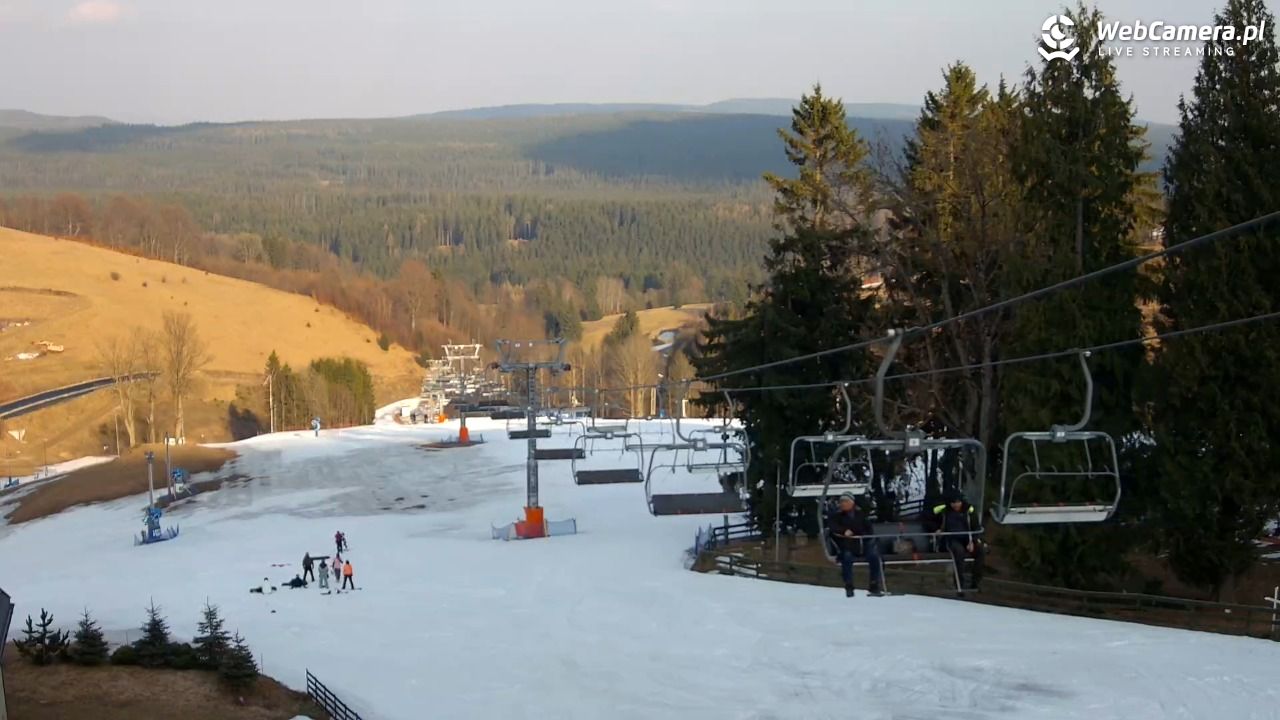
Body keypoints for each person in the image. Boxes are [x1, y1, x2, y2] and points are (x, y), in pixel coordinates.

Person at [828, 492, 884, 598]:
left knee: (874, 556)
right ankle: (849, 585)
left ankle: (874, 584)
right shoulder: (837, 516)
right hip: (846, 545)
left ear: (852, 503)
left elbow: (869, 529)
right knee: (847, 557)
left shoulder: (860, 515)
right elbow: (833, 527)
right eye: (841, 502)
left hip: (862, 544)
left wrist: (863, 535)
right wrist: (844, 531)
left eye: (845, 501)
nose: (842, 504)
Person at [932, 489, 985, 592]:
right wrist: (937, 529)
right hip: (952, 539)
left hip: (967, 538)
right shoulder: (945, 512)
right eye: (953, 503)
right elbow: (930, 520)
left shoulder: (969, 512)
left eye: (958, 502)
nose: (956, 505)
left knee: (981, 551)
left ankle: (975, 582)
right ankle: (959, 584)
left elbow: (976, 527)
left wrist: (973, 540)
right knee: (959, 553)